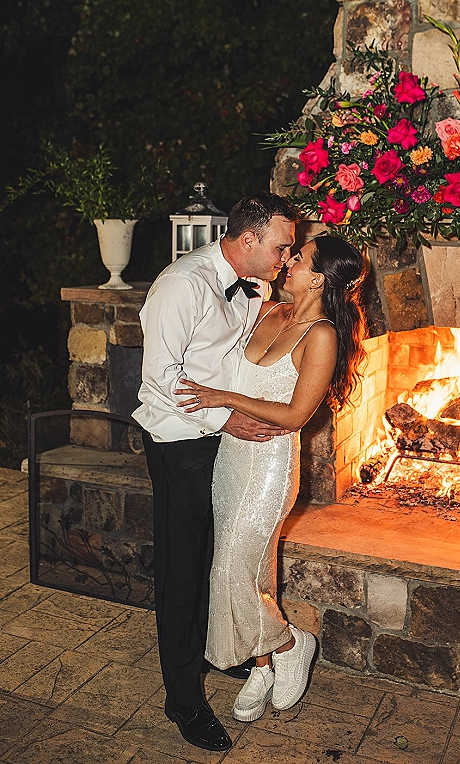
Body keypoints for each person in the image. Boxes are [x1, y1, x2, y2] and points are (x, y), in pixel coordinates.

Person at [175, 234, 367, 724]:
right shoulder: (269, 311)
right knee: (252, 571)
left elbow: (298, 413)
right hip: (231, 457)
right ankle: (261, 666)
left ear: (318, 278)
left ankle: (290, 643)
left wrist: (224, 398)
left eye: (297, 258)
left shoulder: (320, 334)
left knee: (228, 572)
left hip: (269, 467)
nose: (287, 261)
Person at [132, 193, 299, 752]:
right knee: (182, 571)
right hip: (179, 443)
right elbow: (162, 379)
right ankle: (182, 697)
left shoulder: (253, 285)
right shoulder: (182, 285)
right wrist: (231, 418)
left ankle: (208, 653)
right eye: (281, 246)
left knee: (212, 558)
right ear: (248, 240)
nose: (286, 255)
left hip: (220, 441)